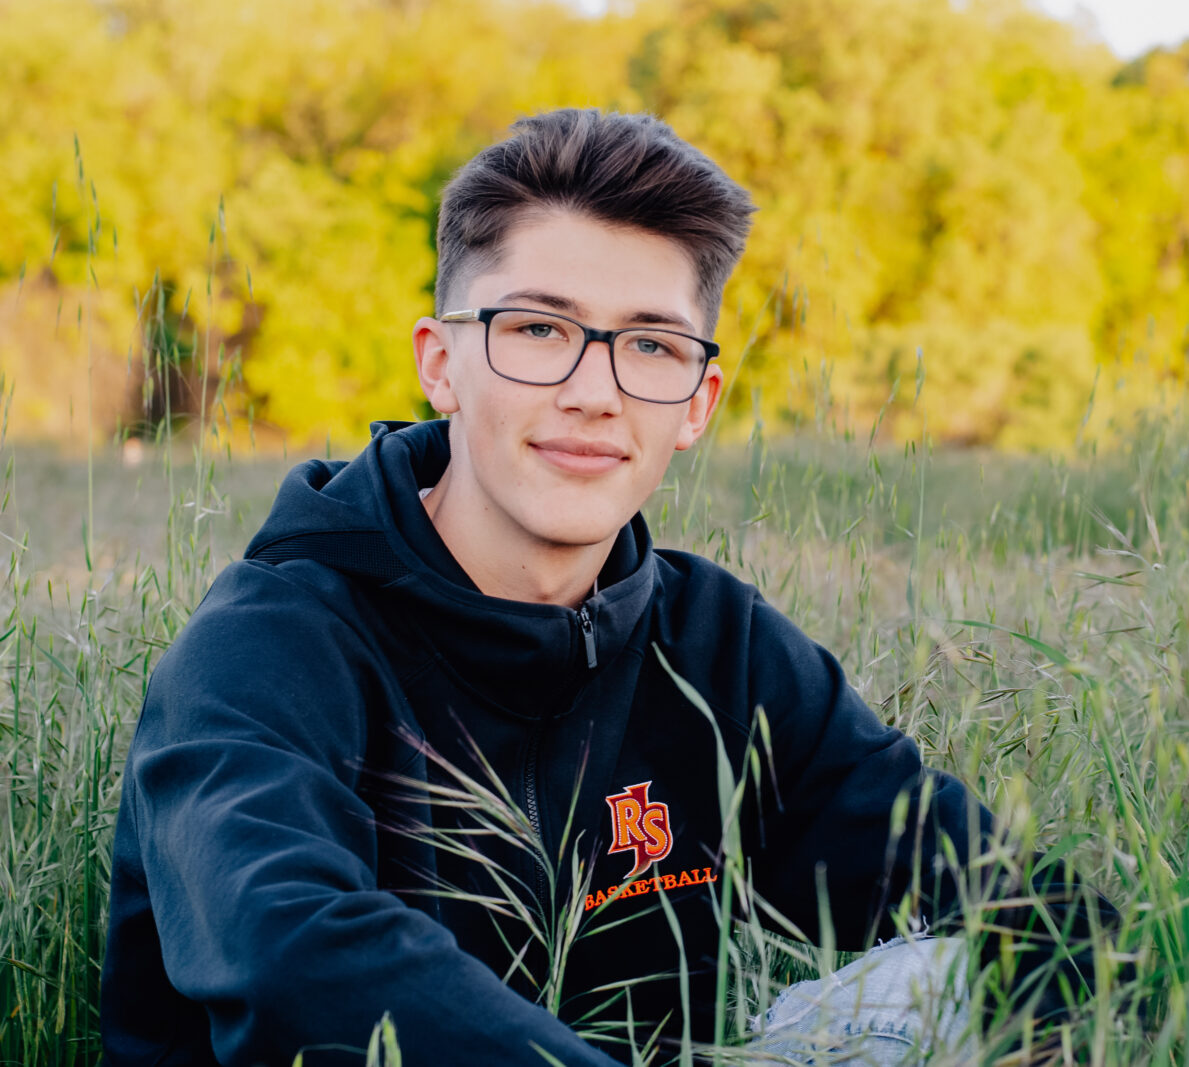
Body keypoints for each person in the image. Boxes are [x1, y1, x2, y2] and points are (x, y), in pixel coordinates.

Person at [101, 109, 1121, 1066]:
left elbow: (1036, 915)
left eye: (650, 345)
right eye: (539, 329)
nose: (594, 392)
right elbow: (294, 956)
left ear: (697, 401)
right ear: (442, 361)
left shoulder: (720, 646)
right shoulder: (268, 644)